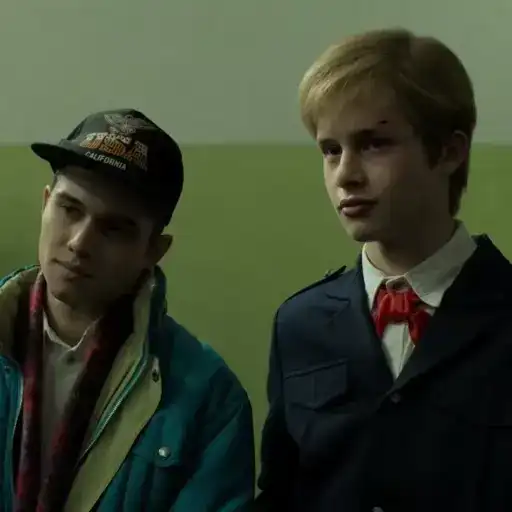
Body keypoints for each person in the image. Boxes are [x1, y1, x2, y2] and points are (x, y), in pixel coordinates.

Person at [255, 28, 512, 511]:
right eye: (330, 150)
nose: (345, 175)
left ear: (449, 151)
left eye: (374, 144)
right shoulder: (300, 325)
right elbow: (280, 493)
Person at [0, 108, 255, 512]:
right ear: (46, 204)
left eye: (114, 228)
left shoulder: (209, 399)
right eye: (70, 209)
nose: (79, 243)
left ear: (154, 250)